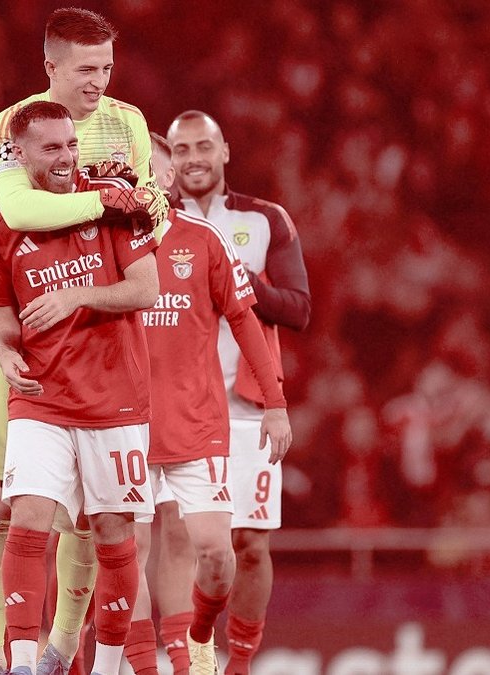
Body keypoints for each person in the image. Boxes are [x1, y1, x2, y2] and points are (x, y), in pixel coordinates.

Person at [0, 8, 168, 675]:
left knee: (100, 525)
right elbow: (19, 209)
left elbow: (150, 217)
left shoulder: (129, 122)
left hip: (108, 358)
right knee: (4, 503)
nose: (99, 82)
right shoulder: (13, 123)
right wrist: (110, 202)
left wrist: (138, 211)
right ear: (50, 66)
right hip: (28, 348)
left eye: (107, 67)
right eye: (86, 69)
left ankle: (69, 651)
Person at [125, 134, 293, 675]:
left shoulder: (203, 240)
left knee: (218, 555)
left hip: (197, 425)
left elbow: (245, 319)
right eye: (128, 168)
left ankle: (199, 635)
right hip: (124, 425)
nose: (135, 176)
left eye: (146, 167)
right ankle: (162, 668)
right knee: (127, 555)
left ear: (167, 177)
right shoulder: (103, 242)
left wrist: (275, 402)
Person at [166, 111, 312, 675]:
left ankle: (241, 663)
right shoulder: (155, 222)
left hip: (247, 407)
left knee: (249, 542)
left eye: (203, 147)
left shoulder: (264, 219)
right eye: (182, 150)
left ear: (225, 150)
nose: (194, 159)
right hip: (177, 406)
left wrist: (232, 279)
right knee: (178, 541)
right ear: (168, 159)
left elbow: (298, 309)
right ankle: (184, 658)